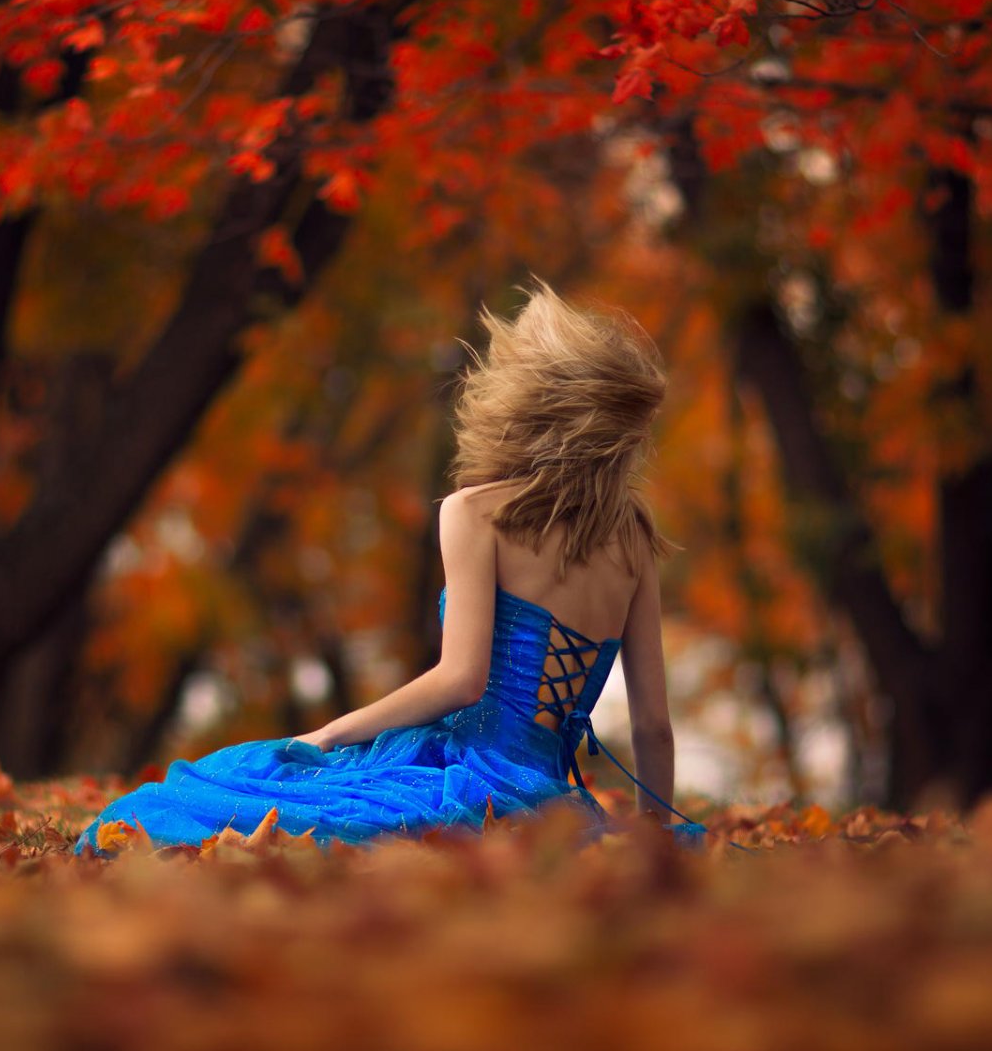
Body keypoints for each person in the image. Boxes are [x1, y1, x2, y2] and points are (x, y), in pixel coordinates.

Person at [69, 278, 706, 856]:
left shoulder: (476, 513)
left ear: (527, 404)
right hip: (551, 803)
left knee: (226, 790)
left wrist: (333, 731)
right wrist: (656, 839)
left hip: (470, 776)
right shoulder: (634, 541)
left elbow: (461, 681)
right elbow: (653, 723)